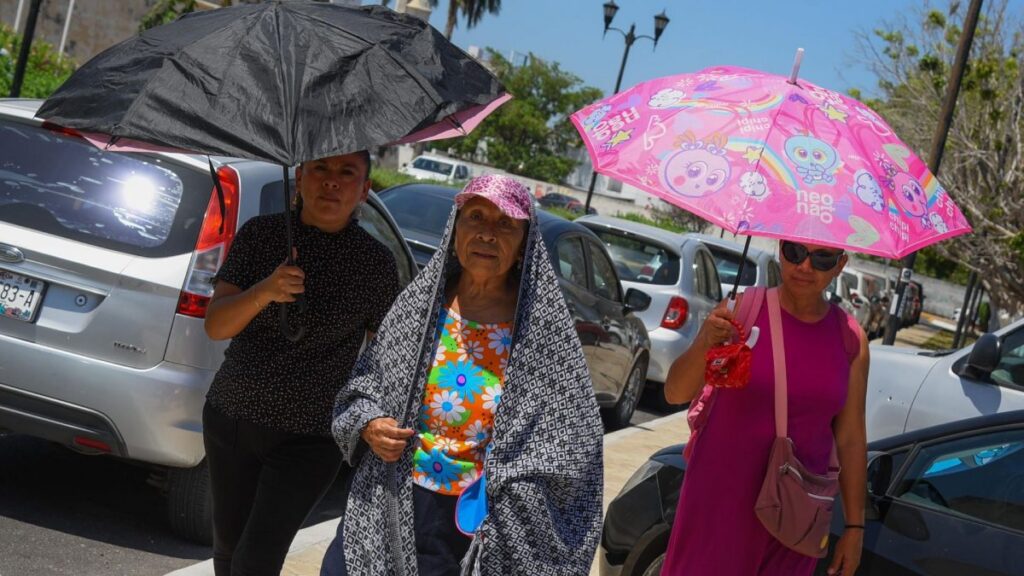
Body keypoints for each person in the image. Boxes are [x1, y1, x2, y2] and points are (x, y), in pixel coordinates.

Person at [322, 175, 604, 576]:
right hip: (387, 498)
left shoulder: (544, 334)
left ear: (525, 241)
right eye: (475, 217)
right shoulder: (421, 307)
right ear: (455, 229)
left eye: (505, 223)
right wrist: (369, 423)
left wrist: (513, 486)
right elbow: (363, 386)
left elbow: (575, 446)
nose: (488, 233)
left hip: (469, 523)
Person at [202, 150, 401, 576]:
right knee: (228, 549)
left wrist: (372, 418)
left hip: (312, 437)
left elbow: (386, 357)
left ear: (364, 190)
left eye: (347, 173)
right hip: (234, 417)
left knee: (257, 558)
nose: (332, 181)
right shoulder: (261, 235)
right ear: (300, 178)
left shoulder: (377, 263)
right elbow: (216, 326)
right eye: (321, 169)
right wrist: (265, 291)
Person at [661, 240, 869, 576]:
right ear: (780, 250)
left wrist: (856, 529)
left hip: (794, 514)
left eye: (822, 258)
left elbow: (851, 438)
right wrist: (706, 341)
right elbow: (674, 392)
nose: (804, 266)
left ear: (840, 264)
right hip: (718, 503)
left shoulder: (850, 339)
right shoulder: (739, 311)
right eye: (794, 252)